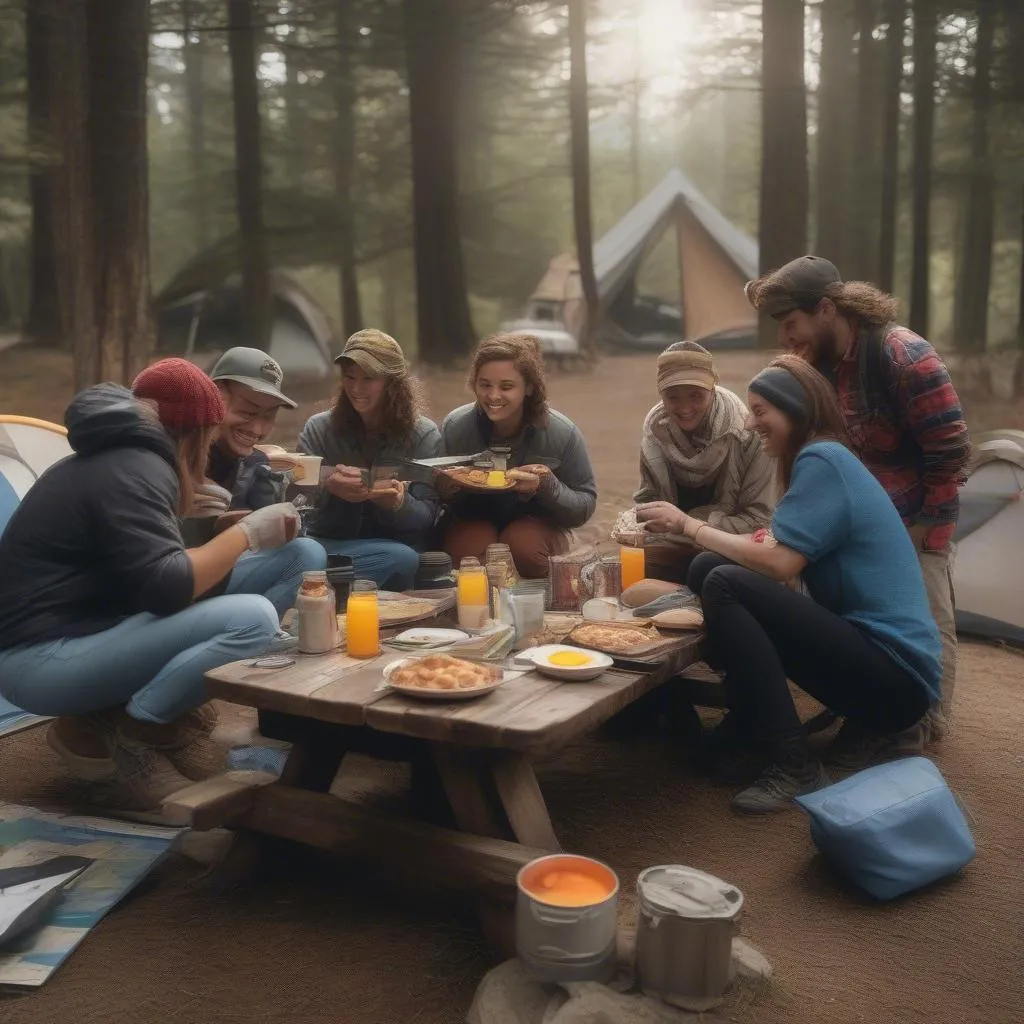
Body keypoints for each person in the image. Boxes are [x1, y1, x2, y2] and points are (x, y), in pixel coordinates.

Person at [0, 359, 305, 822]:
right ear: (199, 432)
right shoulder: (137, 467)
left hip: (89, 631)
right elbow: (166, 589)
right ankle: (133, 731)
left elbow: (135, 571)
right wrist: (245, 535)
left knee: (300, 557)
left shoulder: (128, 457)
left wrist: (209, 523)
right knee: (253, 619)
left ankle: (139, 712)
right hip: (37, 660)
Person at [637, 355, 942, 814]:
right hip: (874, 667)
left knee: (722, 580)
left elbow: (780, 564)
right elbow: (778, 550)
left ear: (795, 409)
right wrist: (712, 541)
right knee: (707, 568)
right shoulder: (819, 459)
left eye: (761, 411)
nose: (753, 422)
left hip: (896, 677)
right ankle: (750, 725)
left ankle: (793, 760)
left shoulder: (824, 458)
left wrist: (688, 524)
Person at [744, 256, 970, 756]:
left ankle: (919, 729)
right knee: (851, 617)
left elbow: (950, 451)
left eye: (792, 324)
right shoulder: (818, 365)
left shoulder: (905, 357)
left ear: (827, 308)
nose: (786, 338)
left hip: (915, 515)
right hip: (851, 520)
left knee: (928, 616)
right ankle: (866, 714)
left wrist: (928, 535)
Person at [439, 333, 597, 578]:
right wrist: (448, 486)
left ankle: (551, 584)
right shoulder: (456, 427)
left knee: (523, 546)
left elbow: (584, 504)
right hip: (475, 519)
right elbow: (433, 496)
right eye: (484, 385)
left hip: (538, 523)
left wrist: (546, 486)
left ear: (529, 387)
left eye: (506, 386)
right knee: (468, 552)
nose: (493, 396)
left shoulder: (560, 432)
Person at [298, 329, 441, 589]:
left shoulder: (423, 435)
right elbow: (295, 500)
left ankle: (327, 584)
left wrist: (398, 502)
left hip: (395, 547)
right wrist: (328, 481)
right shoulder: (319, 429)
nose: (356, 388)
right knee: (304, 553)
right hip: (327, 544)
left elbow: (427, 518)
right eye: (350, 378)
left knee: (406, 559)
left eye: (369, 379)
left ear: (392, 383)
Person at [626, 340, 775, 583]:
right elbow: (649, 499)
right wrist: (642, 520)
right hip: (678, 542)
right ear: (661, 395)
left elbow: (759, 522)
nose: (685, 408)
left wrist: (686, 525)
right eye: (673, 397)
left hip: (738, 548)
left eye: (696, 395)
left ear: (713, 389)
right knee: (627, 566)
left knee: (705, 570)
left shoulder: (749, 434)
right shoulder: (655, 432)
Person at [207, 346, 297, 510]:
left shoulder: (255, 466)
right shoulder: (180, 457)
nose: (257, 430)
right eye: (247, 412)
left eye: (268, 417)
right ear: (214, 397)